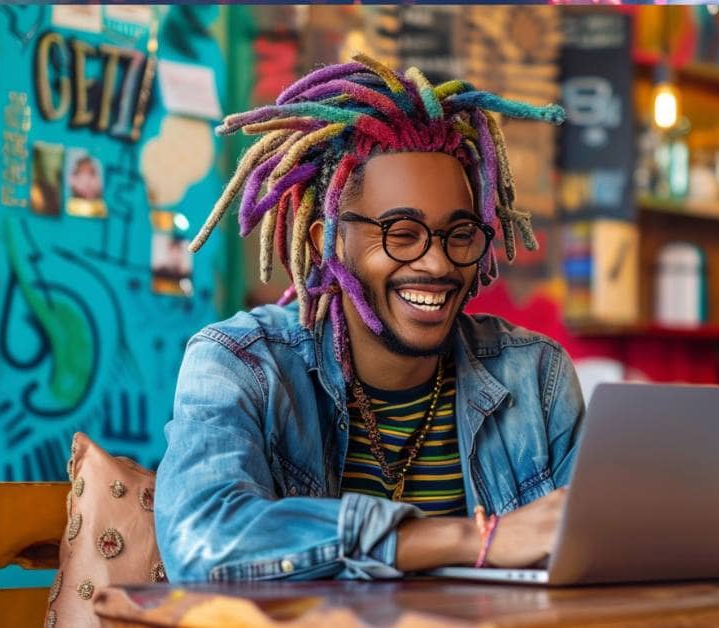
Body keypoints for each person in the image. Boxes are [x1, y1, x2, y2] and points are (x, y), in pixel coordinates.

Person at [155, 55, 582, 582]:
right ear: (327, 243)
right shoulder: (241, 364)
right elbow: (202, 543)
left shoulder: (536, 375)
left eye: (460, 234)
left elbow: (597, 543)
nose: (438, 262)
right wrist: (471, 539)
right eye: (401, 234)